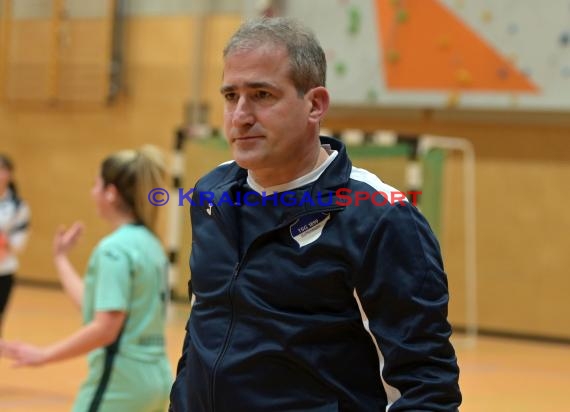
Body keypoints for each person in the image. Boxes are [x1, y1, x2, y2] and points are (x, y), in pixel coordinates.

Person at [169, 17, 461, 411]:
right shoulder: (210, 195)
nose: (240, 115)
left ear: (315, 104)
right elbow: (204, 326)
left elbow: (427, 387)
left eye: (261, 94)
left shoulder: (381, 219)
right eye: (230, 96)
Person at [1, 146, 173, 412]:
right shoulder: (150, 243)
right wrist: (61, 260)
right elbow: (97, 308)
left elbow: (105, 328)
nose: (92, 193)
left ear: (111, 193)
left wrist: (44, 355)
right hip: (156, 380)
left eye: (96, 184)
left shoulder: (113, 249)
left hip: (119, 380)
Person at [0, 154, 31, 339]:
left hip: (4, 270)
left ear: (10, 175)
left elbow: (19, 242)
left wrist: (5, 242)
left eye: (3, 170)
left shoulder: (18, 206)